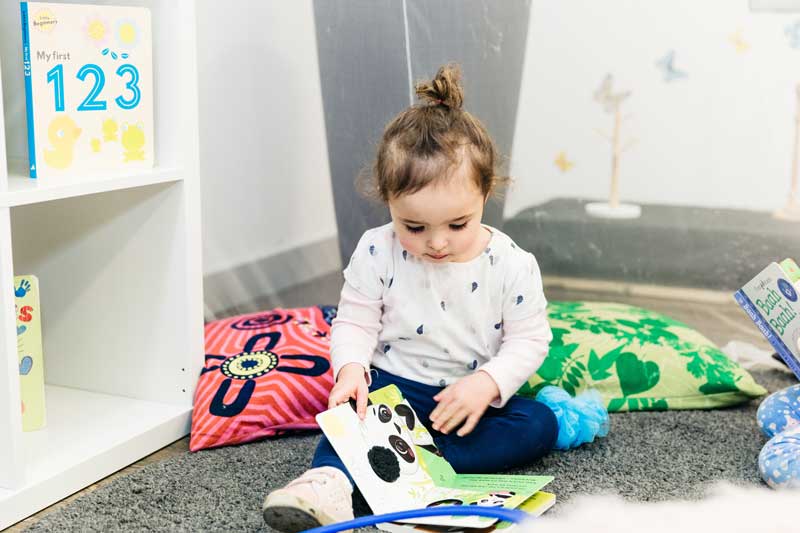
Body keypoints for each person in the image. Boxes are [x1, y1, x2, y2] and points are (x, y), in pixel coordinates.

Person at [262, 63, 609, 533]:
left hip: (470, 400)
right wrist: (350, 371)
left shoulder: (511, 263)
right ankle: (327, 484)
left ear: (486, 194)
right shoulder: (375, 249)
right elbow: (355, 322)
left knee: (536, 424)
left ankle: (400, 469)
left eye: (457, 224)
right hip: (393, 388)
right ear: (388, 201)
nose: (437, 242)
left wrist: (487, 383)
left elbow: (529, 341)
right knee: (347, 423)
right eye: (415, 226)